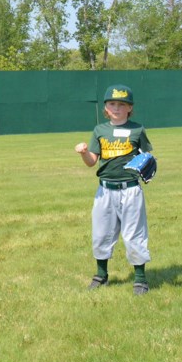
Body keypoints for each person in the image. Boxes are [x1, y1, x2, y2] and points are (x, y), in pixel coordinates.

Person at [74, 84, 153, 295]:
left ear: (130, 108)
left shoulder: (137, 129)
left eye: (122, 104)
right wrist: (83, 152)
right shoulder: (100, 130)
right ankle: (101, 275)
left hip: (130, 190)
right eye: (112, 103)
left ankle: (140, 279)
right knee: (101, 233)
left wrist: (148, 164)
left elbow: (147, 156)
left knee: (135, 234)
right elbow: (92, 162)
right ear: (106, 108)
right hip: (105, 190)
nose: (116, 108)